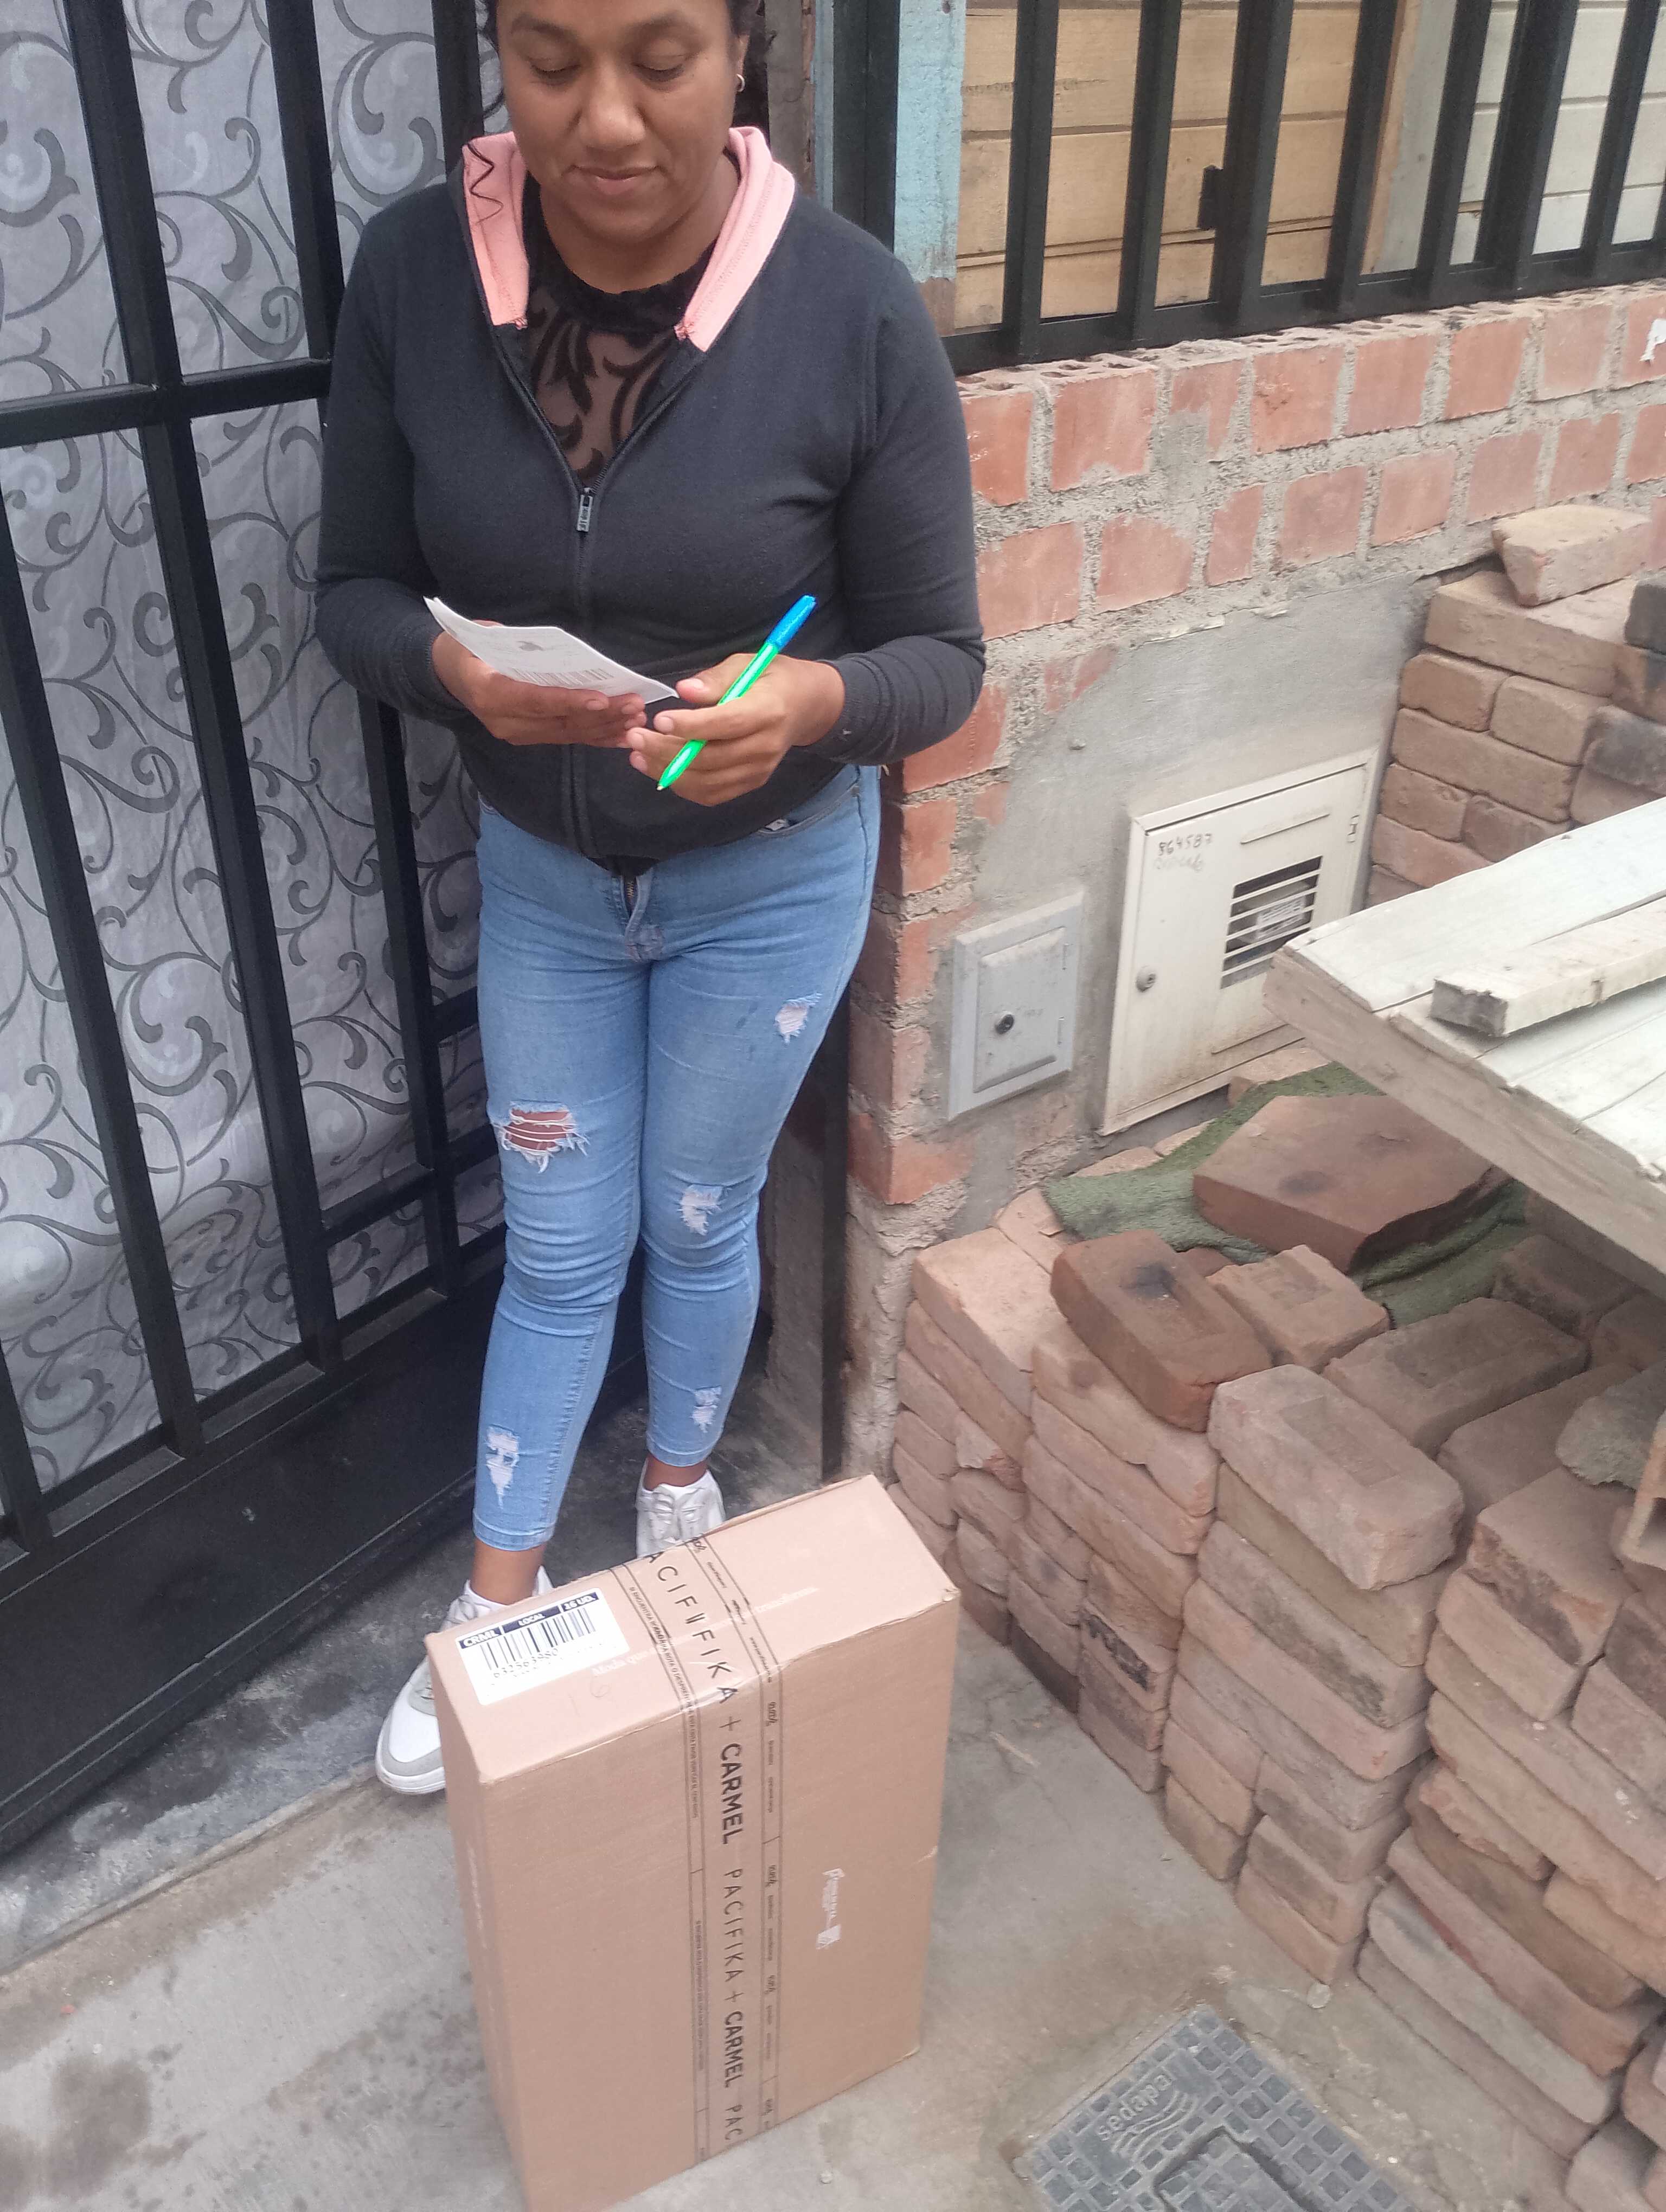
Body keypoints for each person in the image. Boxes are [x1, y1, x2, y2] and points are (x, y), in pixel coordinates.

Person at [315, 0, 983, 1794]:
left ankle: (681, 1501)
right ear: (498, 54)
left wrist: (815, 704)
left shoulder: (849, 309)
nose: (603, 120)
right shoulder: (414, 277)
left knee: (696, 1218)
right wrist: (457, 678)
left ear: (743, 52)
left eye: (659, 59)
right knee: (557, 1247)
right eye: (550, 63)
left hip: (765, 889)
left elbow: (943, 656)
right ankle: (501, 1605)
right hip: (547, 881)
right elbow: (354, 589)